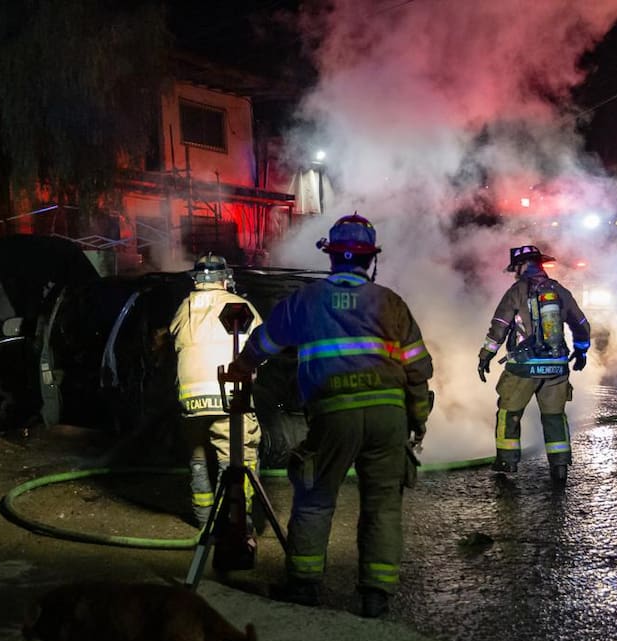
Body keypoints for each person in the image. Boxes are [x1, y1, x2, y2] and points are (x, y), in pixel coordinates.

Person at [225, 214, 433, 618]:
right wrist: (418, 418)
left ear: (331, 257)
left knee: (316, 497)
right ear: (370, 259)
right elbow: (418, 369)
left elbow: (265, 342)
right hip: (388, 415)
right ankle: (375, 596)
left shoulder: (306, 300)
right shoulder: (391, 303)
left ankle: (304, 586)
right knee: (383, 505)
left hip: (333, 413)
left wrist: (241, 367)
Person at [476, 245, 591, 485]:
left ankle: (507, 462)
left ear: (521, 267)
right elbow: (581, 324)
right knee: (554, 416)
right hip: (556, 366)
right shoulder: (560, 291)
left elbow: (499, 325)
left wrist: (486, 355)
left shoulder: (516, 292)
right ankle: (560, 466)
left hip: (524, 366)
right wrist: (581, 351)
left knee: (509, 412)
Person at [169, 253, 262, 529]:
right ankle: (233, 521)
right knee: (239, 456)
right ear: (225, 280)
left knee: (197, 457)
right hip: (228, 394)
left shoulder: (184, 307)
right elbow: (259, 347)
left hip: (190, 398)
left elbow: (174, 340)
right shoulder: (237, 305)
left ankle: (204, 519)